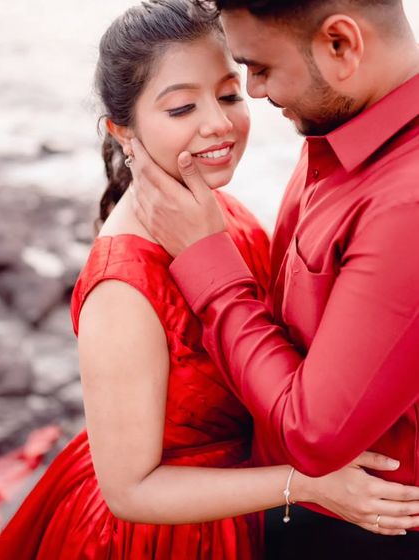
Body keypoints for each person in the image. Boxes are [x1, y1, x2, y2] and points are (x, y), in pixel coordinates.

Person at [0, 1, 419, 559]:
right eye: (180, 108)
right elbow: (128, 490)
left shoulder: (214, 212)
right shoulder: (124, 285)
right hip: (167, 538)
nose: (220, 122)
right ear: (122, 130)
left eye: (230, 95)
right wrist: (303, 483)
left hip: (247, 508)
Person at [125, 0, 419, 558]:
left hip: (364, 529)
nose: (255, 93)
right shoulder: (340, 129)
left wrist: (206, 258)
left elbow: (314, 439)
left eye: (257, 69)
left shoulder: (406, 201)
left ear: (341, 45)